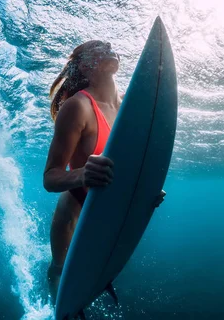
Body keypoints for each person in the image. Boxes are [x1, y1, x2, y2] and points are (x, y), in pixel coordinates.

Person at [43, 40, 165, 303]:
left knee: (97, 271)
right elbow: (50, 177)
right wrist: (82, 175)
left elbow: (131, 164)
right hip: (74, 216)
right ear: (85, 67)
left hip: (110, 211)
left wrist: (149, 188)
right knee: (61, 271)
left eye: (109, 45)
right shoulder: (77, 107)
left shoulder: (131, 109)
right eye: (97, 48)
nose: (108, 47)